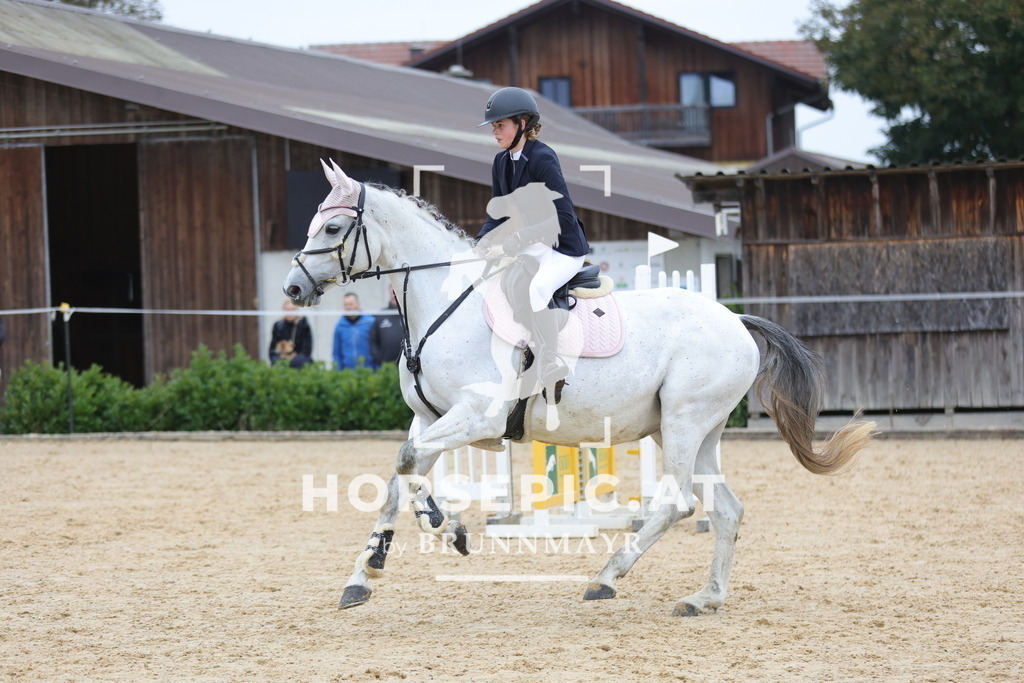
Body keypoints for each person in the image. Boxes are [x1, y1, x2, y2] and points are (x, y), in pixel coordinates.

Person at [474, 86, 590, 397]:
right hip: (534, 246)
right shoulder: (501, 162)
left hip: (564, 248)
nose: (495, 132)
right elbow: (499, 212)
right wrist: (482, 239)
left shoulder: (543, 158)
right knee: (502, 282)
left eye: (500, 125)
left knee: (537, 288)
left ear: (522, 123)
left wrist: (522, 236)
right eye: (494, 126)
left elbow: (563, 217)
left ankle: (550, 364)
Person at [333, 292, 376, 370]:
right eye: (345, 305)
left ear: (358, 304)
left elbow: (377, 347)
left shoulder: (370, 322)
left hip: (369, 371)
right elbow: (336, 352)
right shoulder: (340, 325)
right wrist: (338, 371)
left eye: (351, 304)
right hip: (348, 372)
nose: (348, 307)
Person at [268, 299, 313, 368]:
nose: (290, 312)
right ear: (283, 310)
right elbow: (272, 349)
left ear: (297, 310)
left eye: (293, 309)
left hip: (299, 359)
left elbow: (306, 350)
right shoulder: (278, 326)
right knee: (277, 362)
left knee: (298, 362)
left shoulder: (303, 326)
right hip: (282, 357)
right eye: (288, 310)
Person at [370, 287, 405, 367]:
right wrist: (379, 359)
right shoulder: (381, 315)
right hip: (386, 366)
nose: (394, 295)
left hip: (407, 366)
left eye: (396, 291)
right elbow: (373, 341)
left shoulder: (409, 315)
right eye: (392, 292)